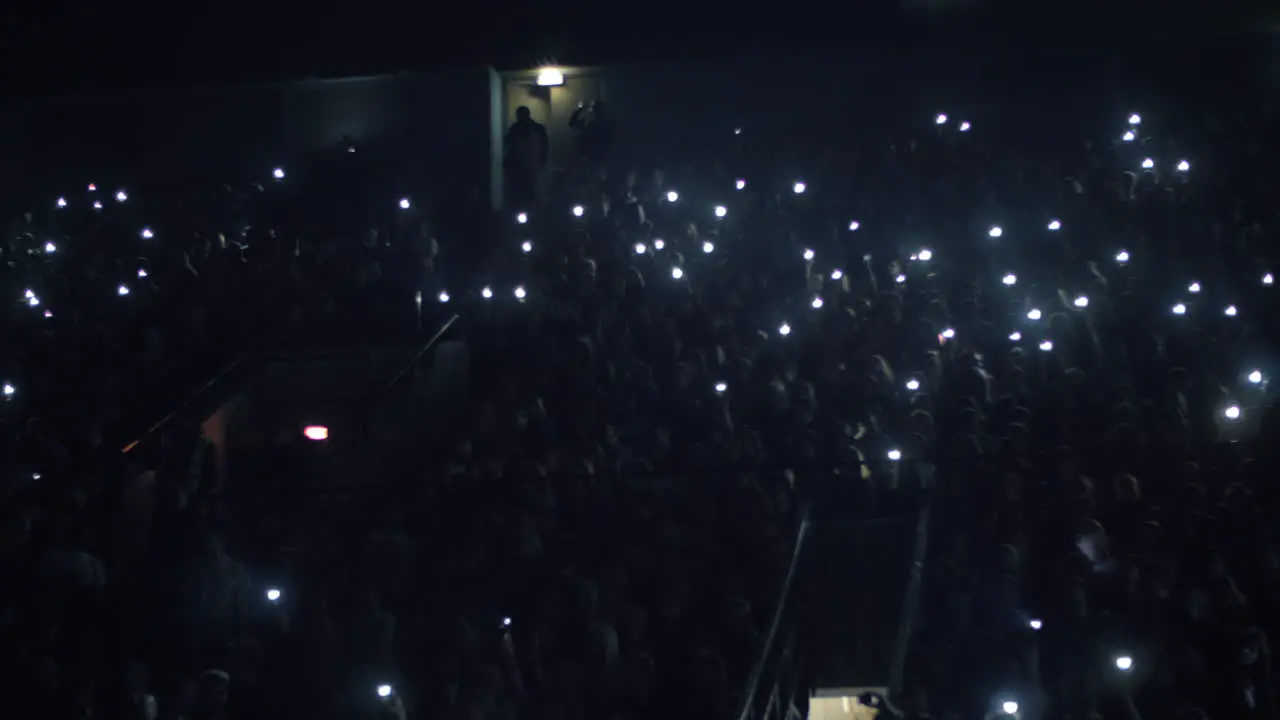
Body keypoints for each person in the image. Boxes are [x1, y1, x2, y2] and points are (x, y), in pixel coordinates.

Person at [504, 106, 549, 209]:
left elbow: (507, 142)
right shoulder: (531, 129)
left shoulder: (519, 129)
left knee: (529, 189)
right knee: (525, 189)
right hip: (522, 164)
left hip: (529, 164)